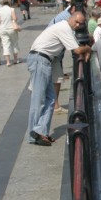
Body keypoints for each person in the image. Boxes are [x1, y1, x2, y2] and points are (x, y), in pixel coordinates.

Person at [26, 11, 91, 145]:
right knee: (38, 99)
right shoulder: (64, 28)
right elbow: (77, 50)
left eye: (80, 23)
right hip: (40, 60)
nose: (78, 25)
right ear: (71, 19)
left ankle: (41, 131)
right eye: (76, 22)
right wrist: (88, 49)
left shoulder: (64, 27)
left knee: (50, 99)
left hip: (44, 61)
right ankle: (33, 135)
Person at [0, 0, 21, 66]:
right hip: (12, 29)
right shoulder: (11, 9)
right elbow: (15, 18)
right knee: (14, 44)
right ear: (9, 2)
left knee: (5, 45)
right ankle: (15, 59)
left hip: (3, 29)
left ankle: (7, 61)